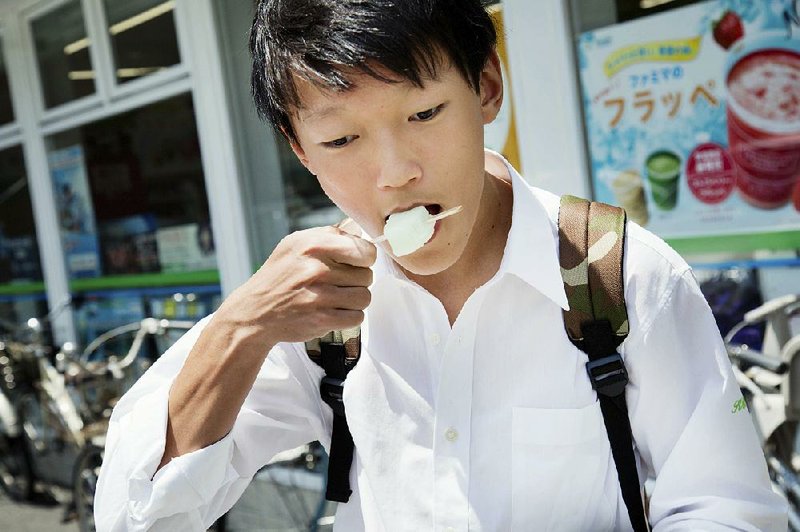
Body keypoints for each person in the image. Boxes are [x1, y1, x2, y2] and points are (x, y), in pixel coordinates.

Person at [94, 0, 787, 530]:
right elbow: (141, 513)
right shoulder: (313, 306)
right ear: (298, 148)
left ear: (486, 87)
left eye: (425, 113)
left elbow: (729, 509)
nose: (395, 173)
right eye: (341, 138)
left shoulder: (620, 275)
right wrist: (239, 330)